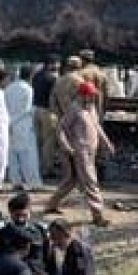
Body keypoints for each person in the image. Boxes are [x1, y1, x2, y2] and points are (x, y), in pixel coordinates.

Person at [44, 81, 114, 227]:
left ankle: (51, 204)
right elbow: (61, 129)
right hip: (80, 151)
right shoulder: (74, 109)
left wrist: (107, 143)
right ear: (83, 95)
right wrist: (66, 146)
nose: (93, 97)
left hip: (91, 150)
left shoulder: (91, 108)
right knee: (90, 181)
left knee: (71, 181)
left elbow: (97, 126)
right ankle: (98, 215)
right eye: (90, 95)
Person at [5, 66, 42, 189]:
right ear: (30, 76)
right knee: (28, 155)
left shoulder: (8, 88)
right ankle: (33, 183)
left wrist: (10, 122)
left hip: (10, 124)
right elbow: (27, 109)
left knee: (13, 154)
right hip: (24, 124)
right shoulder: (28, 89)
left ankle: (16, 181)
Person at [32, 59, 62, 178]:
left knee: (38, 142)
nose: (58, 65)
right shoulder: (53, 78)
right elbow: (56, 96)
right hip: (48, 111)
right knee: (49, 142)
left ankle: (37, 166)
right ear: (51, 64)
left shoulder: (36, 75)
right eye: (57, 63)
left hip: (36, 110)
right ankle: (48, 169)